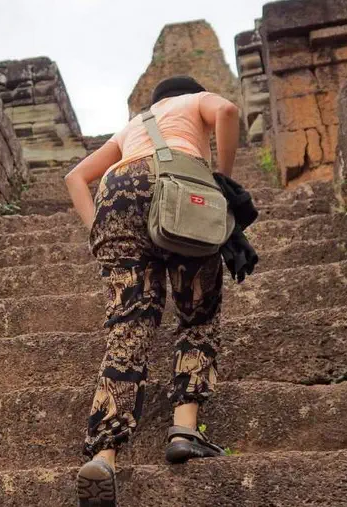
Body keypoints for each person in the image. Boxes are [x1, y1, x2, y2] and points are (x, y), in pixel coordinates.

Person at [64, 76, 240, 507]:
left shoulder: (134, 125)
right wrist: (222, 180)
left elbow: (75, 177)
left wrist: (98, 232)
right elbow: (228, 111)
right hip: (178, 186)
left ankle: (104, 455)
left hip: (115, 197)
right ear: (186, 93)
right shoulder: (194, 101)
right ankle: (184, 429)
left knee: (129, 328)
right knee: (197, 312)